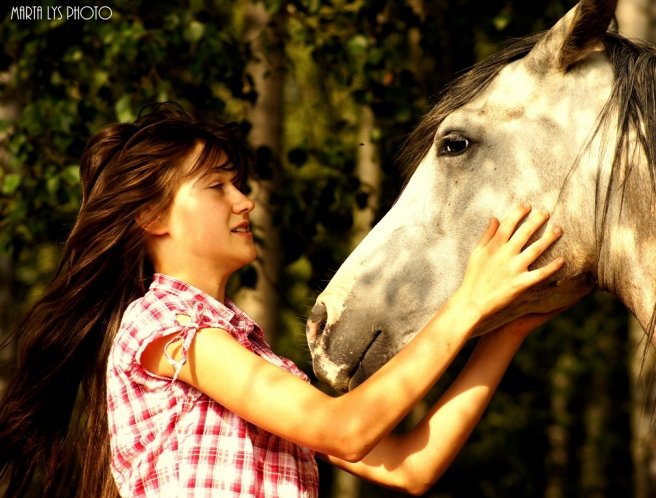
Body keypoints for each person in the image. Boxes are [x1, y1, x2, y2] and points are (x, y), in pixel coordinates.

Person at [0, 103, 566, 498]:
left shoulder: (252, 360)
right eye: (217, 185)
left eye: (238, 184)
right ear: (151, 217)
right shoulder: (163, 329)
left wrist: (504, 330)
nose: (243, 202)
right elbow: (341, 429)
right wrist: (466, 301)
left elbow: (409, 467)